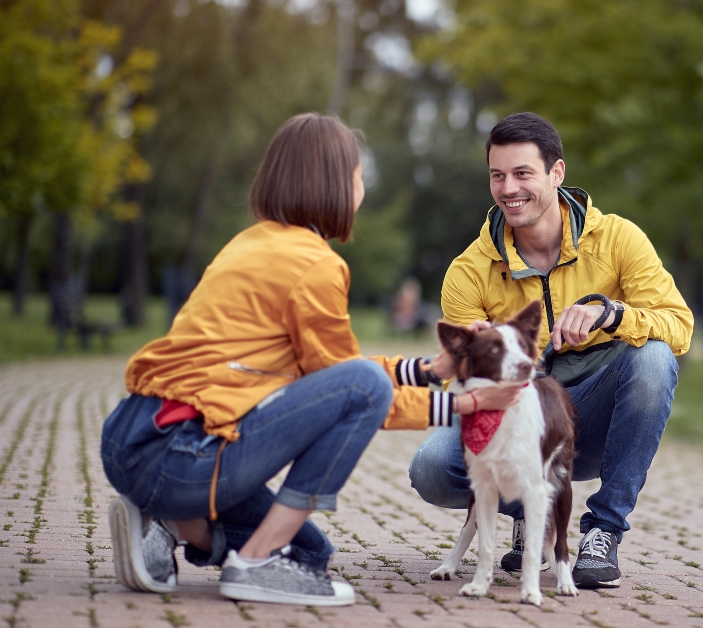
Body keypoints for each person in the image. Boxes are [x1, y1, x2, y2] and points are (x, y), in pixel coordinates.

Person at [100, 113, 519, 606]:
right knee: (363, 388)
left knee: (308, 552)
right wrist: (466, 406)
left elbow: (331, 372)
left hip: (132, 435)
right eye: (358, 174)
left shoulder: (249, 242)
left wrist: (429, 370)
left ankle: (171, 524)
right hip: (180, 452)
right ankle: (252, 562)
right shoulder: (316, 265)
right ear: (336, 183)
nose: (362, 186)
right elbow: (360, 390)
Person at [407, 112, 693, 589]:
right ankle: (528, 513)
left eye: (523, 173)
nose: (509, 189)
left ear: (556, 173)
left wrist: (612, 314)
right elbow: (463, 383)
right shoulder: (469, 271)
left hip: (592, 418)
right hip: (514, 413)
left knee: (654, 359)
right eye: (498, 175)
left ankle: (604, 530)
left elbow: (679, 326)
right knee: (432, 468)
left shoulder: (618, 239)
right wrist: (475, 354)